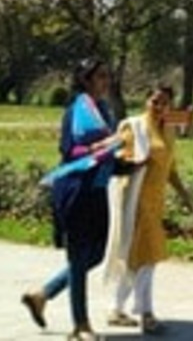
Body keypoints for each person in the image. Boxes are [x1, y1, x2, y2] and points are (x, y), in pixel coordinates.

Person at [21, 58, 122, 341]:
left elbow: (110, 153)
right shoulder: (76, 110)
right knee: (79, 258)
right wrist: (99, 148)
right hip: (76, 189)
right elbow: (69, 149)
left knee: (97, 254)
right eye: (100, 76)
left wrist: (131, 161)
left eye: (107, 75)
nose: (106, 81)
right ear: (86, 80)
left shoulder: (104, 110)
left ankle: (42, 294)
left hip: (97, 189)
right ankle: (81, 326)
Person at [104, 84, 193, 334]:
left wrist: (184, 194)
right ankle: (146, 313)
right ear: (146, 102)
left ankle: (116, 308)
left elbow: (170, 168)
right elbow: (115, 157)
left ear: (170, 105)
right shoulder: (132, 127)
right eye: (154, 101)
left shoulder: (168, 131)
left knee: (139, 257)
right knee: (150, 256)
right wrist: (132, 160)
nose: (158, 106)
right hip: (134, 200)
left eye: (164, 102)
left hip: (155, 203)